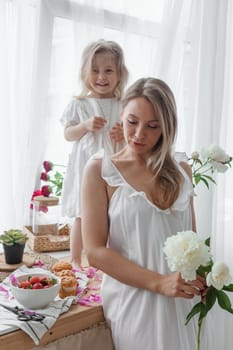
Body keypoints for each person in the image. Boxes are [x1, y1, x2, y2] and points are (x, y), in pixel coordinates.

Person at [81, 77, 210, 350]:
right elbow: (94, 251)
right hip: (134, 302)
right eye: (132, 122)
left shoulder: (182, 170)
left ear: (167, 127)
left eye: (152, 126)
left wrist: (201, 277)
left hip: (181, 299)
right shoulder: (100, 171)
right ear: (122, 115)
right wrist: (159, 283)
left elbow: (191, 241)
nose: (139, 134)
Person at [60, 39, 128, 268]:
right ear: (85, 72)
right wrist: (85, 125)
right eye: (95, 70)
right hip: (84, 165)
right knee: (82, 213)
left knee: (111, 213)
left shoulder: (123, 103)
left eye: (109, 70)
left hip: (112, 162)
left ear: (119, 74)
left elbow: (132, 134)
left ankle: (104, 260)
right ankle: (75, 258)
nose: (102, 76)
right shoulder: (79, 103)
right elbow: (68, 134)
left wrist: (122, 134)